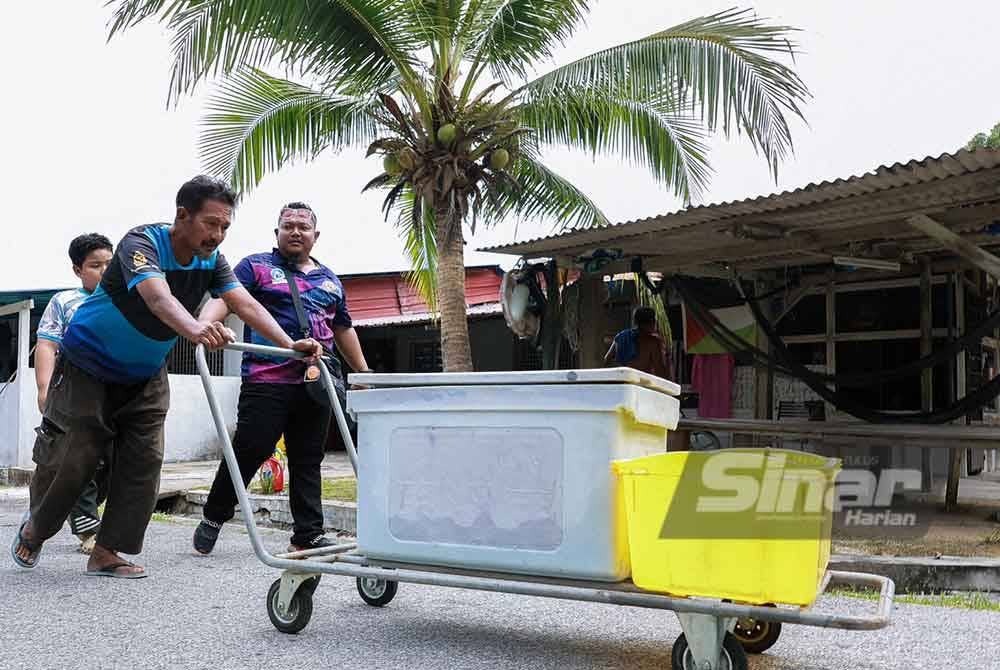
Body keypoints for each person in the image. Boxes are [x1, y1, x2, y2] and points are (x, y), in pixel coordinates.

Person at [11, 176, 321, 578]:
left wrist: (289, 342)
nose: (218, 234)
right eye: (211, 223)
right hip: (87, 366)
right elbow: (157, 297)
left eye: (225, 226)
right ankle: (37, 529)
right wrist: (194, 329)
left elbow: (241, 300)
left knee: (144, 460)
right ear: (182, 215)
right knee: (75, 458)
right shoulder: (141, 243)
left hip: (145, 373)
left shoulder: (213, 259)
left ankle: (107, 551)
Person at [193, 201, 370, 555]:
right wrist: (205, 324)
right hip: (266, 378)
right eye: (288, 225)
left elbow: (343, 328)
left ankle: (307, 533)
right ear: (277, 232)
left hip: (315, 382)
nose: (295, 231)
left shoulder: (330, 280)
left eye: (303, 227)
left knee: (308, 457)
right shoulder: (256, 267)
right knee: (251, 449)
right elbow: (226, 299)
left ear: (315, 236)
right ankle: (214, 514)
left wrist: (363, 372)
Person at [35, 233, 114, 554]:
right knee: (82, 457)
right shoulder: (65, 301)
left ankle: (68, 506)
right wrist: (44, 389)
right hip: (74, 392)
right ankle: (88, 529)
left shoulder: (128, 300)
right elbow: (47, 343)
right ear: (77, 270)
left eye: (110, 264)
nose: (104, 271)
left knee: (113, 460)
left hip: (119, 393)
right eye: (96, 265)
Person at [604, 306, 671, 379]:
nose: (656, 323)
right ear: (651, 322)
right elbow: (660, 372)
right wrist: (668, 359)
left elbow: (606, 361)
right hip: (640, 385)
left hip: (620, 382)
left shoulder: (620, 336)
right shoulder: (653, 342)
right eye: (654, 320)